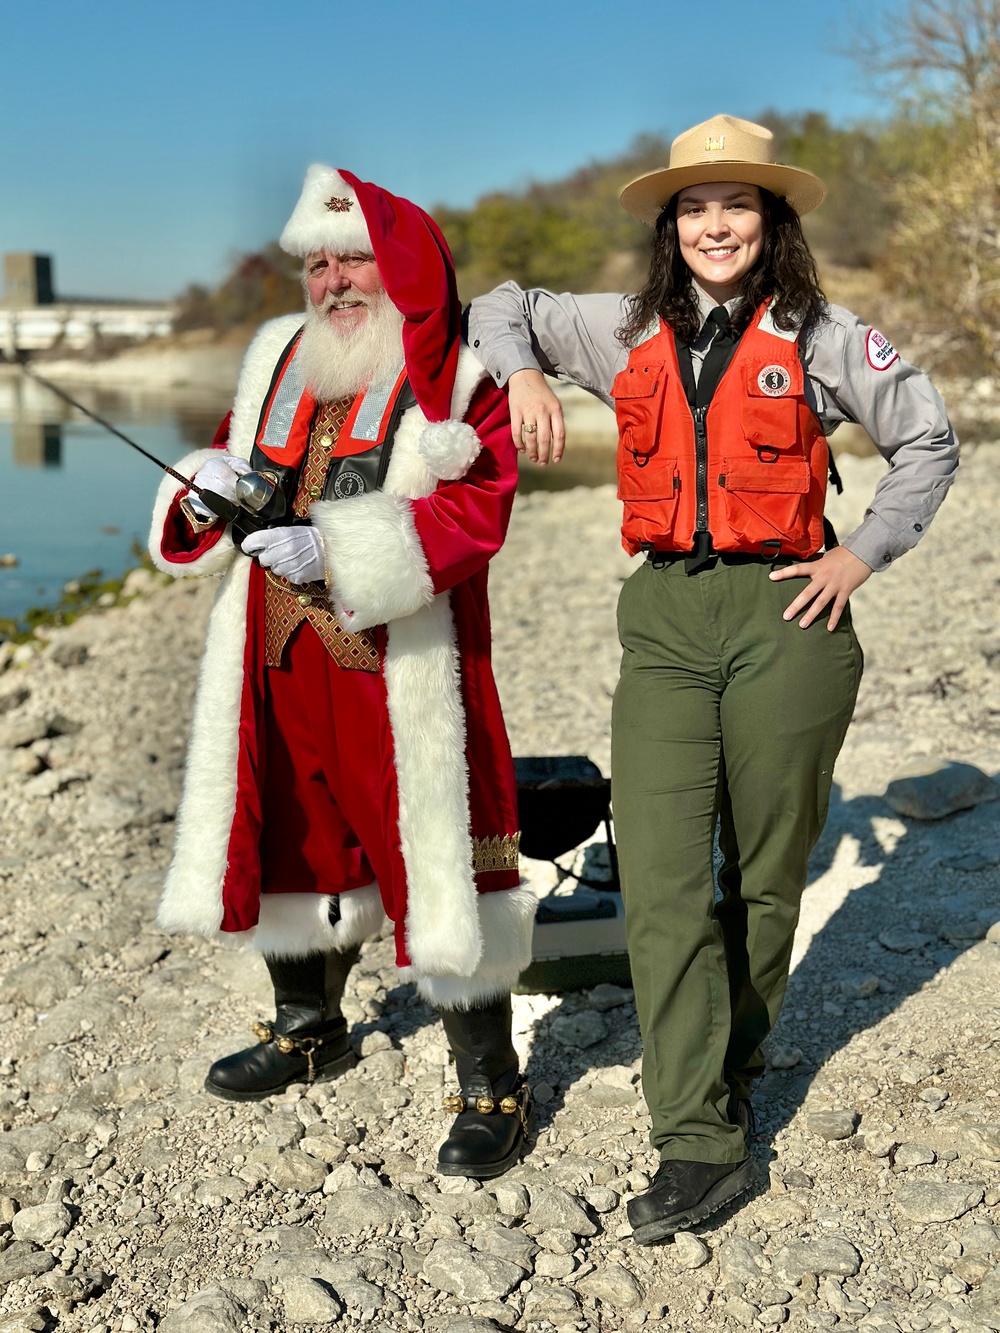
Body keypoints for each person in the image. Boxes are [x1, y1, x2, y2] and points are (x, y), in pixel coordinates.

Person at [468, 115, 957, 1238]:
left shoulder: (826, 336)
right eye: (694, 206)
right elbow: (495, 302)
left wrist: (857, 554)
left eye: (736, 203)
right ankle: (697, 1135)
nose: (715, 223)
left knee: (767, 873)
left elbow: (926, 442)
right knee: (667, 873)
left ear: (770, 219)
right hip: (667, 620)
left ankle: (730, 1059)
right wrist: (526, 376)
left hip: (788, 612)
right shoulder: (617, 327)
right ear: (669, 224)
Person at [148, 164, 539, 1180]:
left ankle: (491, 1081)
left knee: (440, 857)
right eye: (316, 264)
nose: (330, 281)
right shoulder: (278, 352)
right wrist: (208, 485)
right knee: (283, 825)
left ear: (398, 261)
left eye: (351, 258)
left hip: (396, 660)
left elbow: (477, 511)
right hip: (275, 650)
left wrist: (339, 552)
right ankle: (306, 1024)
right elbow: (243, 460)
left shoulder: (460, 375)